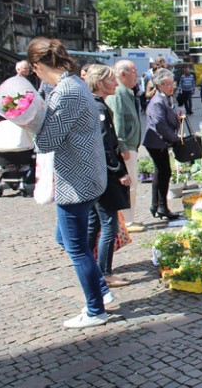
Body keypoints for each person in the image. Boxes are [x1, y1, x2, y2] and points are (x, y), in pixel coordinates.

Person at [26, 37, 113, 329]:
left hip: (77, 180)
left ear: (37, 65)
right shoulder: (71, 84)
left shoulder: (67, 91)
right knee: (64, 239)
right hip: (85, 175)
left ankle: (95, 309)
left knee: (76, 248)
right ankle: (100, 290)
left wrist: (26, 122)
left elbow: (48, 140)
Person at [85, 65, 132, 287]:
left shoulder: (95, 105)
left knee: (95, 222)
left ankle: (89, 266)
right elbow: (106, 146)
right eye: (112, 80)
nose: (115, 84)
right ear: (100, 83)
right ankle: (104, 272)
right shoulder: (99, 109)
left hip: (96, 173)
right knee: (108, 223)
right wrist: (119, 172)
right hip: (105, 175)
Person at [106, 60, 143, 233]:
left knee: (133, 183)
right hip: (126, 146)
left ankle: (129, 219)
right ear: (122, 74)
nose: (136, 75)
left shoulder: (126, 91)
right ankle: (127, 221)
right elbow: (117, 121)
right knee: (130, 184)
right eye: (134, 71)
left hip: (131, 145)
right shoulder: (118, 92)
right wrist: (122, 145)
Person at [142, 68, 183, 220]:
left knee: (163, 173)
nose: (171, 87)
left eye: (172, 83)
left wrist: (177, 119)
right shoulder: (158, 100)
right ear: (159, 85)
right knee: (163, 172)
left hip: (160, 141)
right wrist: (175, 139)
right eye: (167, 84)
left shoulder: (166, 97)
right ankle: (160, 206)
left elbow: (166, 119)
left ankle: (159, 205)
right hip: (156, 142)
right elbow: (160, 124)